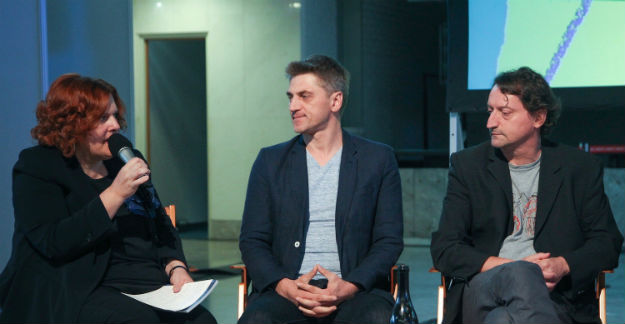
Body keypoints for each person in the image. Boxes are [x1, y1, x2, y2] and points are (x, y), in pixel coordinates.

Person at [0, 74, 216, 323]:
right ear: (72, 124)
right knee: (139, 321)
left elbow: (161, 225)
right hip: (78, 285)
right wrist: (115, 194)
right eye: (103, 118)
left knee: (202, 321)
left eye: (115, 115)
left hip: (144, 282)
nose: (115, 125)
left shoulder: (123, 159)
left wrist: (176, 266)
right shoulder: (38, 166)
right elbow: (53, 241)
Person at [430, 67, 623, 324]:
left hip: (556, 300)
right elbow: (445, 248)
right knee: (521, 274)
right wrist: (513, 266)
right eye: (490, 111)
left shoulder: (578, 168)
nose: (490, 123)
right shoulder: (469, 166)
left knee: (501, 320)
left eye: (505, 113)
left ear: (538, 117)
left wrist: (563, 265)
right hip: (483, 290)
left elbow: (607, 242)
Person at [238, 55, 404, 324]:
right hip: (287, 291)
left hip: (356, 291)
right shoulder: (270, 161)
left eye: (304, 96)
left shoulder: (378, 159)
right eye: (290, 97)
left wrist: (349, 287)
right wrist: (285, 286)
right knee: (258, 320)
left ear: (335, 101)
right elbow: (252, 240)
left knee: (378, 317)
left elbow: (389, 241)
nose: (293, 106)